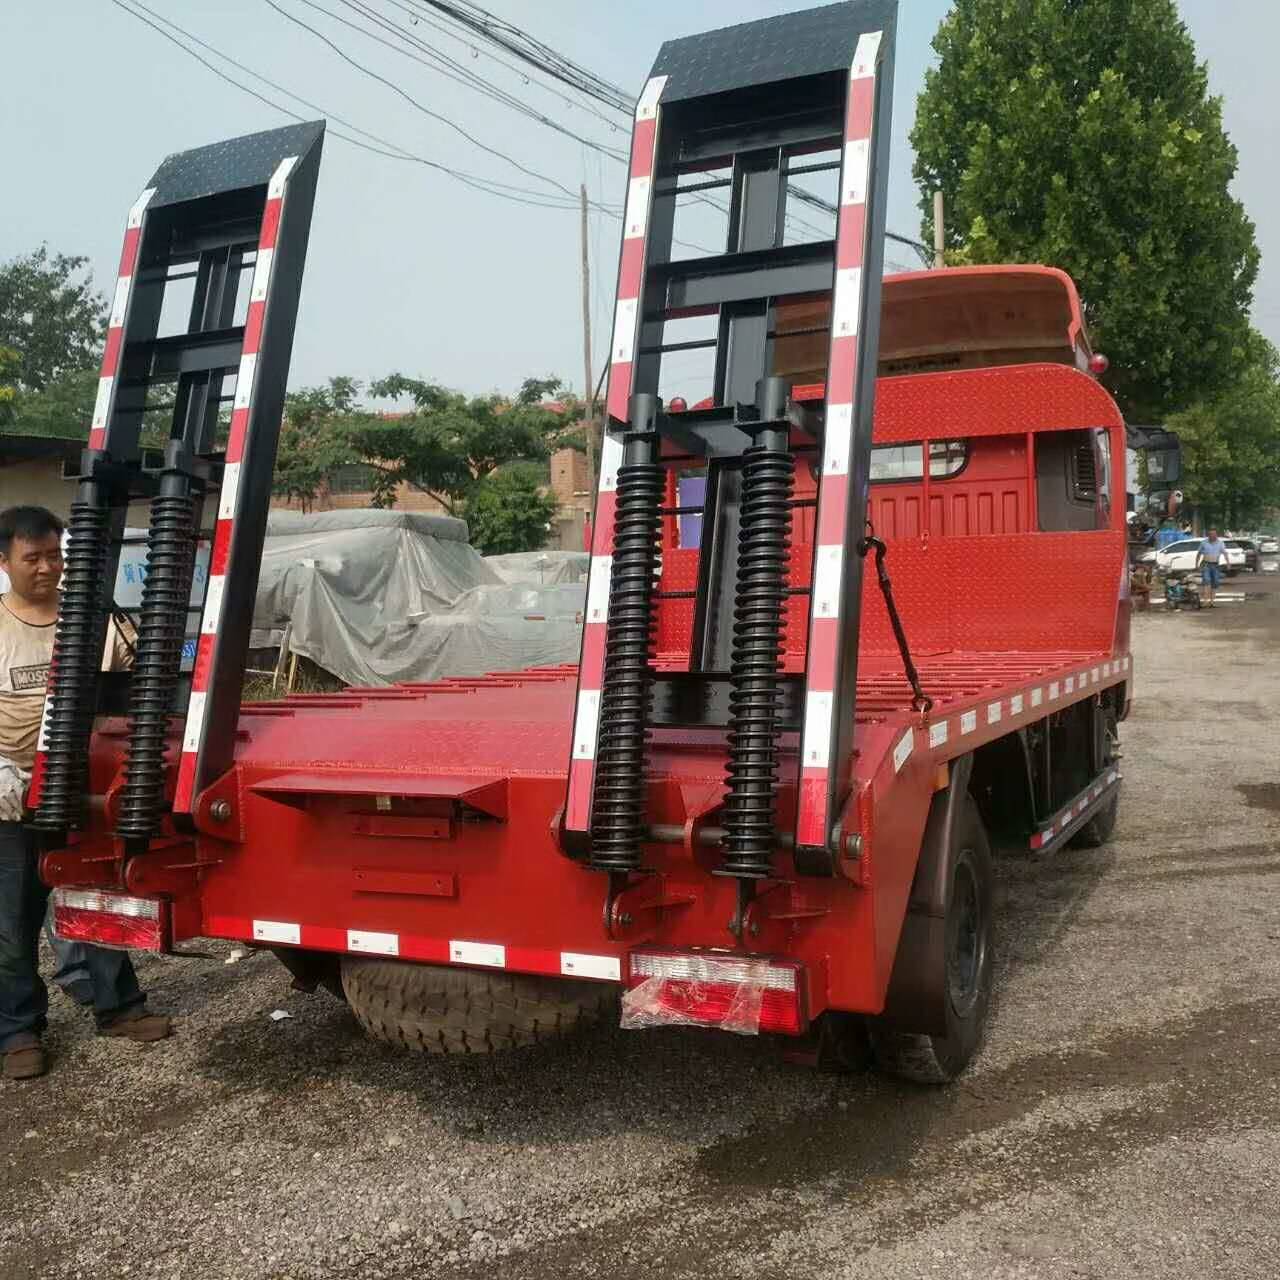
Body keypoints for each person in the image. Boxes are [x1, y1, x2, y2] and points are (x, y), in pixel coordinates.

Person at [0, 505, 171, 1081]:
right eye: (33, 557)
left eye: (55, 554)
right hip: (11, 795)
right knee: (11, 918)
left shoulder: (96, 623)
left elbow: (140, 686)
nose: (48, 567)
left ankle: (118, 1006)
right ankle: (18, 1030)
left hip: (81, 793)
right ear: (5, 562)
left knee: (94, 898)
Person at [1197, 526, 1228, 607]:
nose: (1212, 536)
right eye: (1211, 534)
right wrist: (1196, 564)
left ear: (1216, 535)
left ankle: (1212, 602)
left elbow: (1225, 553)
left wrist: (1228, 563)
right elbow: (1199, 553)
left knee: (1215, 583)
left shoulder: (1220, 543)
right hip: (1206, 564)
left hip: (1215, 565)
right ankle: (1205, 601)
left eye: (1214, 534)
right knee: (1207, 582)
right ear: (1208, 535)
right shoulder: (1204, 543)